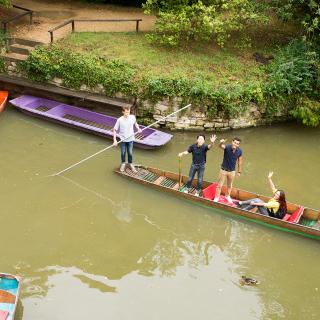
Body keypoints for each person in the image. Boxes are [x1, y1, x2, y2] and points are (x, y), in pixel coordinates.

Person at [214, 137, 243, 204]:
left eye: (237, 144)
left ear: (238, 145)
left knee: (230, 186)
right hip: (223, 170)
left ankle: (227, 196)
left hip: (232, 171)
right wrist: (221, 142)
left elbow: (240, 161)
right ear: (232, 142)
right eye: (235, 142)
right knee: (219, 185)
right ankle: (216, 197)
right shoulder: (227, 147)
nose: (235, 144)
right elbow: (220, 146)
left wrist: (239, 171)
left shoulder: (240, 151)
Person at [113, 106, 142, 173]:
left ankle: (130, 164)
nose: (127, 114)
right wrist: (115, 140)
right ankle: (123, 163)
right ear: (123, 112)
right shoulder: (119, 120)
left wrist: (138, 129)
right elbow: (114, 130)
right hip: (123, 139)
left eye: (128, 112)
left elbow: (135, 124)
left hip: (131, 139)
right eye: (126, 112)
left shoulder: (132, 117)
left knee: (130, 153)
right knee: (123, 153)